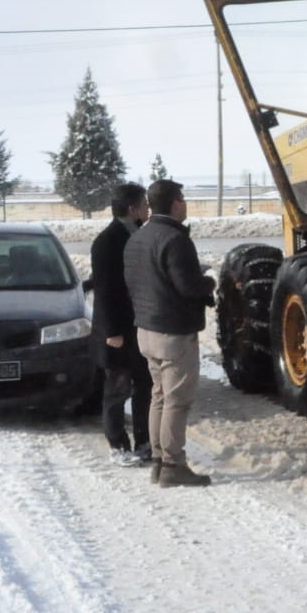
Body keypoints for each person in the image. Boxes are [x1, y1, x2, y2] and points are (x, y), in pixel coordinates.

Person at [124, 179, 216, 488]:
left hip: (146, 329)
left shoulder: (138, 238)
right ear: (175, 203)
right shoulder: (175, 240)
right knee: (177, 401)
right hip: (173, 331)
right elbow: (187, 286)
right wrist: (210, 284)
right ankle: (173, 464)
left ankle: (159, 462)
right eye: (183, 199)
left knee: (159, 397)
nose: (186, 204)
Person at [90, 182, 152, 467]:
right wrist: (112, 332)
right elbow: (105, 290)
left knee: (144, 386)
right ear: (132, 208)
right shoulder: (106, 241)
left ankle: (144, 442)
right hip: (117, 331)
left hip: (140, 327)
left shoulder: (140, 235)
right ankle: (118, 445)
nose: (148, 209)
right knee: (117, 389)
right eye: (144, 204)